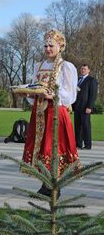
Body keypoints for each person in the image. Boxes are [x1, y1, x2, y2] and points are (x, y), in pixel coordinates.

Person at [22, 29, 80, 196]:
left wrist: (53, 95)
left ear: (60, 46)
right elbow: (34, 87)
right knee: (39, 147)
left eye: (51, 45)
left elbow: (70, 95)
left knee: (53, 147)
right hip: (39, 112)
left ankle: (54, 186)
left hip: (55, 112)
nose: (48, 48)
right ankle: (44, 183)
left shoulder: (66, 67)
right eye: (45, 45)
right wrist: (30, 94)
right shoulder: (38, 66)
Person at [73, 64, 98, 150]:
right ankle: (78, 144)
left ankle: (87, 144)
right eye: (82, 69)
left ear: (88, 70)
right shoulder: (78, 79)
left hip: (85, 107)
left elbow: (93, 94)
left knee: (86, 126)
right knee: (77, 126)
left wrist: (89, 106)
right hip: (77, 107)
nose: (83, 70)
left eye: (85, 69)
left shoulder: (91, 80)